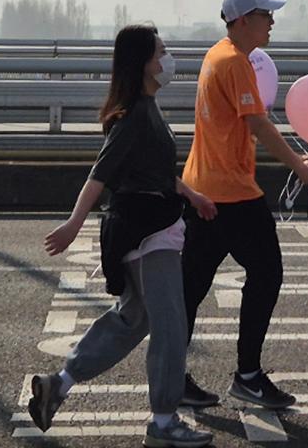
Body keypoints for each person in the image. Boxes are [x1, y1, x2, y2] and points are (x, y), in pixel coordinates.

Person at [27, 24, 218, 448]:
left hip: (146, 227)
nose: (169, 60)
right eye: (161, 52)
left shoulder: (147, 109)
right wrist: (73, 224)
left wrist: (192, 194)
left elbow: (155, 171)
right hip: (148, 233)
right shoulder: (133, 117)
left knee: (134, 319)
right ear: (144, 63)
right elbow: (100, 175)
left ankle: (58, 384)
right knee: (170, 325)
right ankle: (164, 422)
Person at [181, 0, 308, 410]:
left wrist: (297, 160)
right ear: (244, 20)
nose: (272, 22)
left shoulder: (216, 55)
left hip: (202, 188)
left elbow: (243, 125)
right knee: (266, 274)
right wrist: (301, 167)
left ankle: (172, 374)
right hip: (232, 194)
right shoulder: (236, 63)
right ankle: (247, 376)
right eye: (266, 15)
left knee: (190, 288)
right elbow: (259, 125)